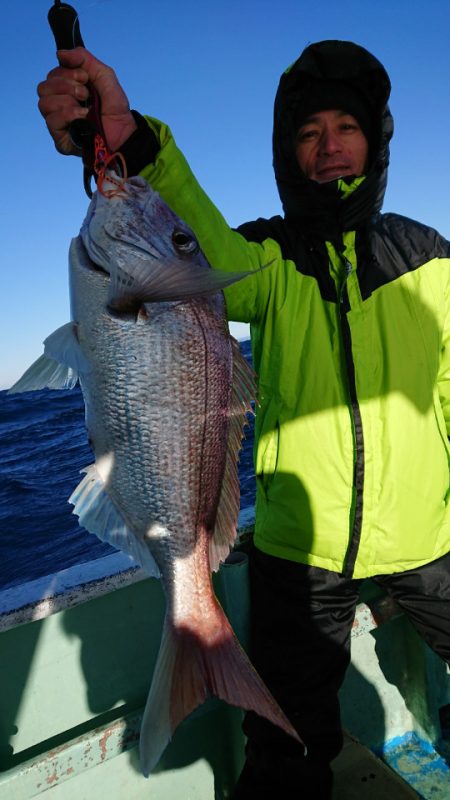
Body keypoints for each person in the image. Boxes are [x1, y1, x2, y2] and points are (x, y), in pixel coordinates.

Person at [38, 40, 450, 799]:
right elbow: (197, 249)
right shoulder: (263, 256)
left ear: (376, 138)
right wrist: (134, 144)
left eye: (345, 127)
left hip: (431, 537)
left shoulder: (430, 258)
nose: (327, 147)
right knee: (286, 748)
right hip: (302, 551)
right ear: (286, 152)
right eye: (306, 133)